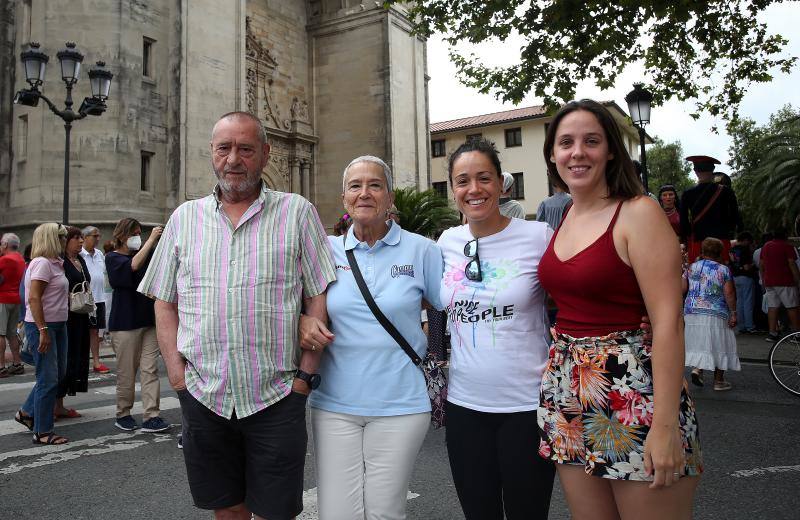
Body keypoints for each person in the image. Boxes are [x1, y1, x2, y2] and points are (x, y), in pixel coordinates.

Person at [138, 111, 336, 520]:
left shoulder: (297, 212)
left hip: (276, 396)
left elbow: (317, 295)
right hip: (204, 395)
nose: (233, 159)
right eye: (224, 148)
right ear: (211, 152)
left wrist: (303, 379)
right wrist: (177, 376)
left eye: (245, 149)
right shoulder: (184, 219)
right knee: (226, 509)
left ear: (265, 153)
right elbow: (164, 301)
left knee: (276, 512)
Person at [537, 100, 702, 520]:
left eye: (591, 141)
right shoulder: (567, 214)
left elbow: (667, 323)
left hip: (633, 392)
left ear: (611, 150)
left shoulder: (638, 212)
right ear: (552, 154)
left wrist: (664, 427)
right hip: (568, 391)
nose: (577, 152)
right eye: (566, 143)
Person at [297, 155, 443, 519]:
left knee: (384, 512)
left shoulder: (422, 250)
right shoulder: (325, 250)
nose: (364, 193)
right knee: (337, 514)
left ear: (390, 197)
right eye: (355, 186)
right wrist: (302, 320)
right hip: (334, 404)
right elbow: (295, 302)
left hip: (401, 404)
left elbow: (443, 307)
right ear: (344, 198)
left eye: (375, 185)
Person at [438, 138, 555, 519]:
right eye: (463, 181)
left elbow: (575, 293)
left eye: (484, 178)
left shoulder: (537, 236)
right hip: (464, 407)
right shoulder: (447, 242)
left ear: (501, 183)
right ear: (453, 189)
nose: (474, 189)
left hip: (526, 407)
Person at [106, 218, 169, 433]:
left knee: (150, 370)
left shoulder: (146, 254)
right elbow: (132, 266)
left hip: (148, 321)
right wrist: (150, 240)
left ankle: (152, 415)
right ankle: (123, 413)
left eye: (140, 233)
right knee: (127, 372)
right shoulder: (113, 258)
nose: (138, 237)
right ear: (122, 235)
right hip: (125, 323)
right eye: (134, 233)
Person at [14, 223, 70, 445]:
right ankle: (42, 431)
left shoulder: (55, 262)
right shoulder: (42, 263)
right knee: (47, 379)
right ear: (52, 239)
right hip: (44, 326)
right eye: (62, 237)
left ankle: (27, 412)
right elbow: (34, 298)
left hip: (59, 325)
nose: (65, 240)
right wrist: (42, 330)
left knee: (57, 375)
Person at [684, 237, 741, 390]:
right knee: (720, 342)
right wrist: (733, 312)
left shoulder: (692, 267)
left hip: (692, 311)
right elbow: (729, 293)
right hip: (716, 311)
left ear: (703, 251)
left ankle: (698, 369)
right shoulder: (723, 269)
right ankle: (719, 381)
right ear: (719, 252)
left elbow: (682, 287)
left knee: (700, 340)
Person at [53, 226, 92, 420]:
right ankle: (53, 405)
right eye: (76, 238)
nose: (81, 241)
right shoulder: (59, 261)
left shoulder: (81, 260)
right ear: (66, 241)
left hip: (81, 314)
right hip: (65, 316)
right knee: (63, 359)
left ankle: (60, 405)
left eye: (81, 238)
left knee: (75, 358)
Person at [679, 155, 742, 263]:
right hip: (721, 241)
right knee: (722, 271)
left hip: (698, 242)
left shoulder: (687, 194)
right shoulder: (727, 192)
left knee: (698, 271)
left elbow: (684, 223)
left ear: (695, 171)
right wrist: (728, 231)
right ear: (712, 170)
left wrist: (688, 236)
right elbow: (735, 217)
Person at [760, 227, 800, 342]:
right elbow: (792, 263)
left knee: (772, 307)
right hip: (785, 281)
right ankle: (797, 334)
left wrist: (763, 278)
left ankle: (772, 333)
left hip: (769, 281)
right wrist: (798, 280)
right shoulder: (787, 246)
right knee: (792, 307)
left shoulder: (766, 246)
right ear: (785, 235)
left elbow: (761, 264)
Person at [80, 226, 110, 373]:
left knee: (95, 332)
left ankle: (96, 362)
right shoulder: (79, 254)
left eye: (99, 236)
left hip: (99, 298)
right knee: (82, 332)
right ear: (85, 237)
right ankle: (81, 361)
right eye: (94, 236)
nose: (98, 239)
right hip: (84, 300)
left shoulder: (99, 254)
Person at [0, 233, 26, 378]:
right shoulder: (20, 259)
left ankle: (1, 366)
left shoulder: (4, 260)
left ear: (5, 244)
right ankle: (17, 363)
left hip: (3, 298)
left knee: (0, 333)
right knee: (12, 333)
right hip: (16, 299)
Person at [729, 231, 757, 333]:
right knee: (748, 302)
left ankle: (741, 326)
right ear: (746, 240)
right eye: (749, 241)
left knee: (739, 302)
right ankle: (750, 326)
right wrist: (753, 264)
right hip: (746, 277)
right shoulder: (745, 250)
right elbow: (746, 267)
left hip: (735, 277)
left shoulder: (732, 249)